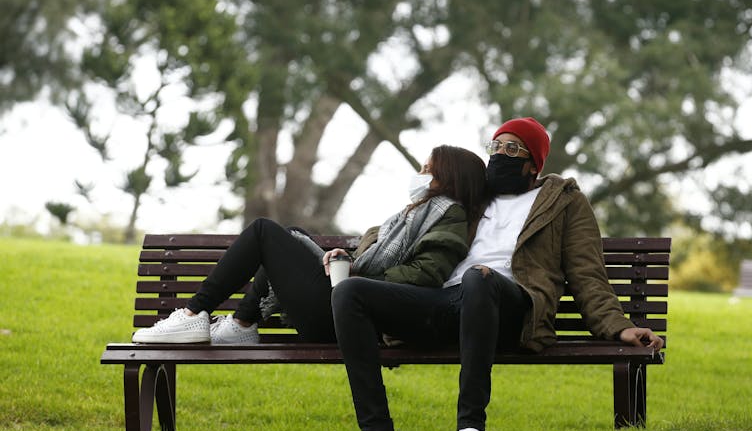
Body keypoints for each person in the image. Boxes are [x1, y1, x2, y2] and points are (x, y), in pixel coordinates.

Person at [320, 117, 664, 431]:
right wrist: (357, 254)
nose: (500, 154)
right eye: (495, 147)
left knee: (478, 278)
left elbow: (587, 273)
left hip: (511, 306)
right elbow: (400, 222)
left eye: (512, 148)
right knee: (350, 293)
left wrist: (619, 327)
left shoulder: (562, 202)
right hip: (448, 301)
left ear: (533, 163)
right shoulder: (474, 194)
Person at [131, 144, 488, 345]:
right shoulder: (416, 214)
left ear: (449, 179)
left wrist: (354, 279)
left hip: (353, 314)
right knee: (292, 234)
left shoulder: (449, 217)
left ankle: (195, 314)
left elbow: (425, 276)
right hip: (348, 304)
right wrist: (344, 261)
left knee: (263, 232)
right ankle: (241, 325)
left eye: (429, 170)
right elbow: (381, 261)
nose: (421, 175)